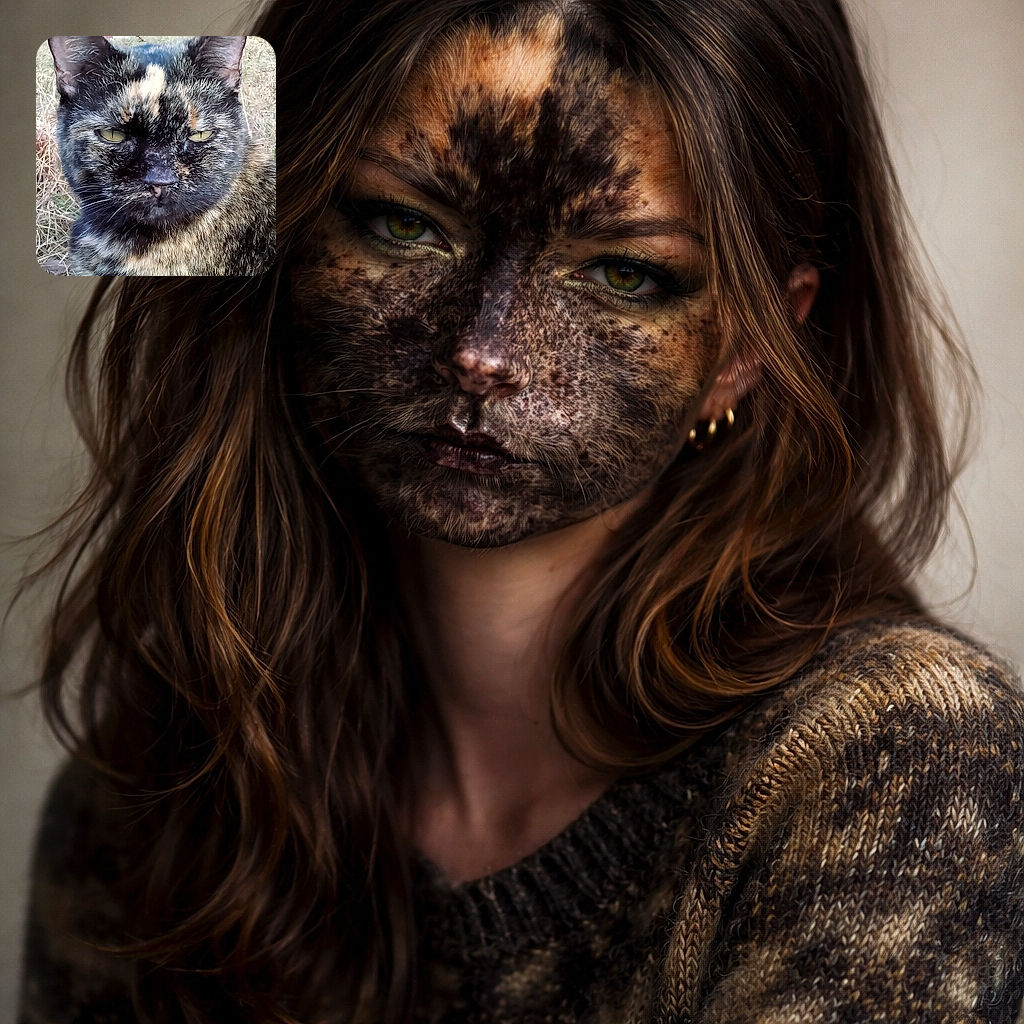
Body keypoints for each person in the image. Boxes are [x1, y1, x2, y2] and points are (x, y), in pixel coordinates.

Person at [16, 0, 1024, 1021]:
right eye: (403, 221)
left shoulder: (900, 760)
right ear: (269, 231)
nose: (483, 353)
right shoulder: (152, 788)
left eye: (624, 272)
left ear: (745, 350)